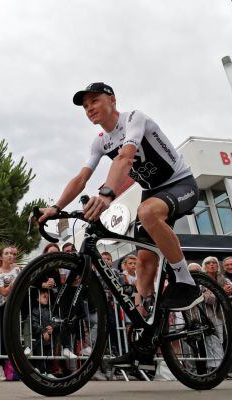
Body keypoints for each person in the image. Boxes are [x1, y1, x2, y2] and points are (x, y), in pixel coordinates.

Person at [39, 82, 202, 316]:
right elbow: (81, 178)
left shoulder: (134, 118)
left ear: (112, 100)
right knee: (144, 264)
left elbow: (125, 157)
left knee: (146, 212)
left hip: (180, 183)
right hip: (153, 192)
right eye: (85, 106)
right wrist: (56, 207)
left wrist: (107, 195)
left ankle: (186, 282)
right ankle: (143, 327)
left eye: (94, 101)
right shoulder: (100, 142)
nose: (89, 108)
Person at [0, 245, 21, 381]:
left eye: (11, 253)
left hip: (15, 306)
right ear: (1, 257)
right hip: (2, 307)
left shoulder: (17, 269)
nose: (10, 255)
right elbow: (3, 292)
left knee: (14, 336)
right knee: (1, 337)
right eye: (6, 253)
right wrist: (14, 282)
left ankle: (13, 367)